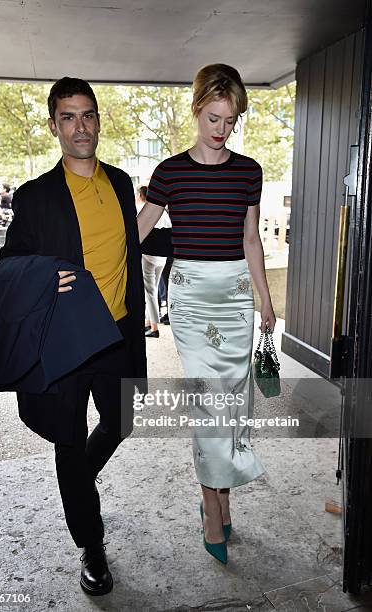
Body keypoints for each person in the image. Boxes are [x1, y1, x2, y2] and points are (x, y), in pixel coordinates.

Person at [0, 77, 147, 595]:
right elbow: (10, 264)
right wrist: (41, 275)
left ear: (99, 121)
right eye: (68, 117)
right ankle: (91, 543)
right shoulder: (36, 196)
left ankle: (76, 480)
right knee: (67, 439)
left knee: (121, 420)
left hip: (116, 332)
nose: (80, 127)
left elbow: (134, 241)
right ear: (54, 125)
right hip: (64, 339)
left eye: (88, 115)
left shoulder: (123, 183)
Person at [137, 64, 276, 564]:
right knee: (208, 406)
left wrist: (264, 297)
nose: (221, 130)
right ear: (197, 109)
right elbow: (138, 229)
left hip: (237, 292)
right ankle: (210, 507)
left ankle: (222, 496)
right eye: (213, 117)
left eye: (230, 120)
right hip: (192, 298)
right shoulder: (170, 172)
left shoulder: (249, 171)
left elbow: (250, 238)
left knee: (233, 406)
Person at [136, 185, 171, 338]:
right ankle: (148, 323)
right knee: (154, 289)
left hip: (148, 255)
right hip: (162, 256)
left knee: (149, 292)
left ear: (141, 195)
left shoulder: (142, 210)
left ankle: (154, 327)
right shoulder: (163, 210)